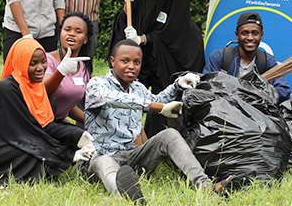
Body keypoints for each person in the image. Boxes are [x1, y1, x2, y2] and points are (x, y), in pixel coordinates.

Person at [85, 39, 229, 204]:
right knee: (105, 163)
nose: (131, 66)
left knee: (170, 135)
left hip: (132, 155)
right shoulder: (97, 84)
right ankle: (130, 198)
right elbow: (119, 99)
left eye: (137, 62)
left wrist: (176, 85)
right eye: (125, 61)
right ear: (112, 61)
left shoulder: (137, 88)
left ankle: (205, 186)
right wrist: (159, 107)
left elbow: (156, 100)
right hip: (101, 156)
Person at [0, 38, 96, 186]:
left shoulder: (36, 86)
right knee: (32, 153)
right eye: (33, 63)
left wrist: (77, 135)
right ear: (21, 62)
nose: (40, 68)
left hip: (13, 134)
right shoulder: (7, 89)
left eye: (43, 61)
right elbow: (26, 133)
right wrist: (67, 156)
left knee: (58, 144)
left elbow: (45, 125)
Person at [110, 0, 205, 137]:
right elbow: (126, 17)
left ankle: (156, 139)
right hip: (143, 55)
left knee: (164, 93)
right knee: (131, 89)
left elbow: (172, 31)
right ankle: (125, 135)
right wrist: (126, 2)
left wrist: (142, 38)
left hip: (172, 53)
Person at [203, 11, 291, 103]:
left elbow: (283, 89)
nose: (250, 37)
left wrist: (254, 96)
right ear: (237, 35)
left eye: (255, 33)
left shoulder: (267, 60)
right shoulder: (221, 57)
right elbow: (206, 86)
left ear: (261, 35)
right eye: (244, 33)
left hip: (255, 110)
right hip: (224, 109)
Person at [42, 12, 94, 124]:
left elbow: (67, 106)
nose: (71, 34)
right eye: (67, 30)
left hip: (58, 121)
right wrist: (61, 72)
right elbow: (44, 91)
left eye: (78, 32)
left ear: (85, 39)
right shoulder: (47, 59)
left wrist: (93, 121)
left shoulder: (83, 67)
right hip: (39, 120)